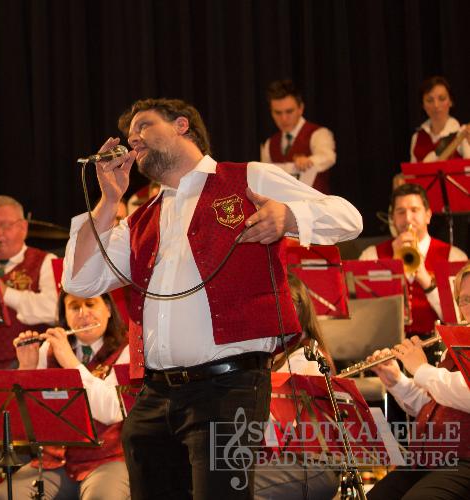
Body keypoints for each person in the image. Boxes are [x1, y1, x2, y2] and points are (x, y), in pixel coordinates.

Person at [63, 98, 362, 499]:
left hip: (228, 388)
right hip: (155, 395)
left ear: (182, 125)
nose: (132, 139)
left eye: (143, 126)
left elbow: (349, 218)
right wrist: (109, 200)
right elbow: (79, 280)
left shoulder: (248, 177)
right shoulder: (141, 218)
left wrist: (288, 217)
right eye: (129, 135)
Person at [0, 292, 131, 500]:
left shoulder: (127, 350)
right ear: (65, 314)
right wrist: (26, 369)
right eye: (74, 306)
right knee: (3, 497)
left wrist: (71, 363)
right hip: (54, 462)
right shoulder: (48, 349)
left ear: (108, 309)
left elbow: (112, 411)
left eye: (90, 304)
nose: (83, 313)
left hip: (107, 461)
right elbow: (20, 417)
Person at [365, 261, 470, 499]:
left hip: (464, 461)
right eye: (464, 300)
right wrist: (397, 381)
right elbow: (433, 406)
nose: (469, 307)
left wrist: (421, 369)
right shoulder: (456, 346)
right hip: (427, 461)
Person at [253, 274, 339, 500]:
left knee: (233, 488)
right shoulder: (278, 356)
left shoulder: (307, 359)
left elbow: (285, 427)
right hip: (286, 459)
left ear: (298, 310)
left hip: (309, 463)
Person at [0, 195, 59, 369]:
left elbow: (53, 310)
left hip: (25, 364)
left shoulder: (45, 261)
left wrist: (5, 292)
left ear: (23, 227)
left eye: (4, 225)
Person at [359, 183, 467, 337]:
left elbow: (459, 320)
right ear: (392, 218)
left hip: (435, 345)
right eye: (401, 212)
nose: (408, 219)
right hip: (387, 344)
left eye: (414, 210)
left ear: (428, 215)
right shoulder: (371, 256)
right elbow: (364, 317)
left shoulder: (454, 257)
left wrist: (427, 282)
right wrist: (392, 268)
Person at [260, 80, 336, 194]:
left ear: (301, 108)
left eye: (289, 111)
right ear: (271, 112)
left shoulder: (318, 133)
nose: (284, 118)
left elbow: (328, 156)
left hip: (314, 203)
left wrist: (310, 161)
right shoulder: (269, 143)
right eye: (278, 113)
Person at [410, 76, 470, 163]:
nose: (436, 105)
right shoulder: (417, 137)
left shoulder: (462, 133)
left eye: (442, 99)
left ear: (451, 101)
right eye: (429, 100)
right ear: (423, 105)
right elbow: (413, 170)